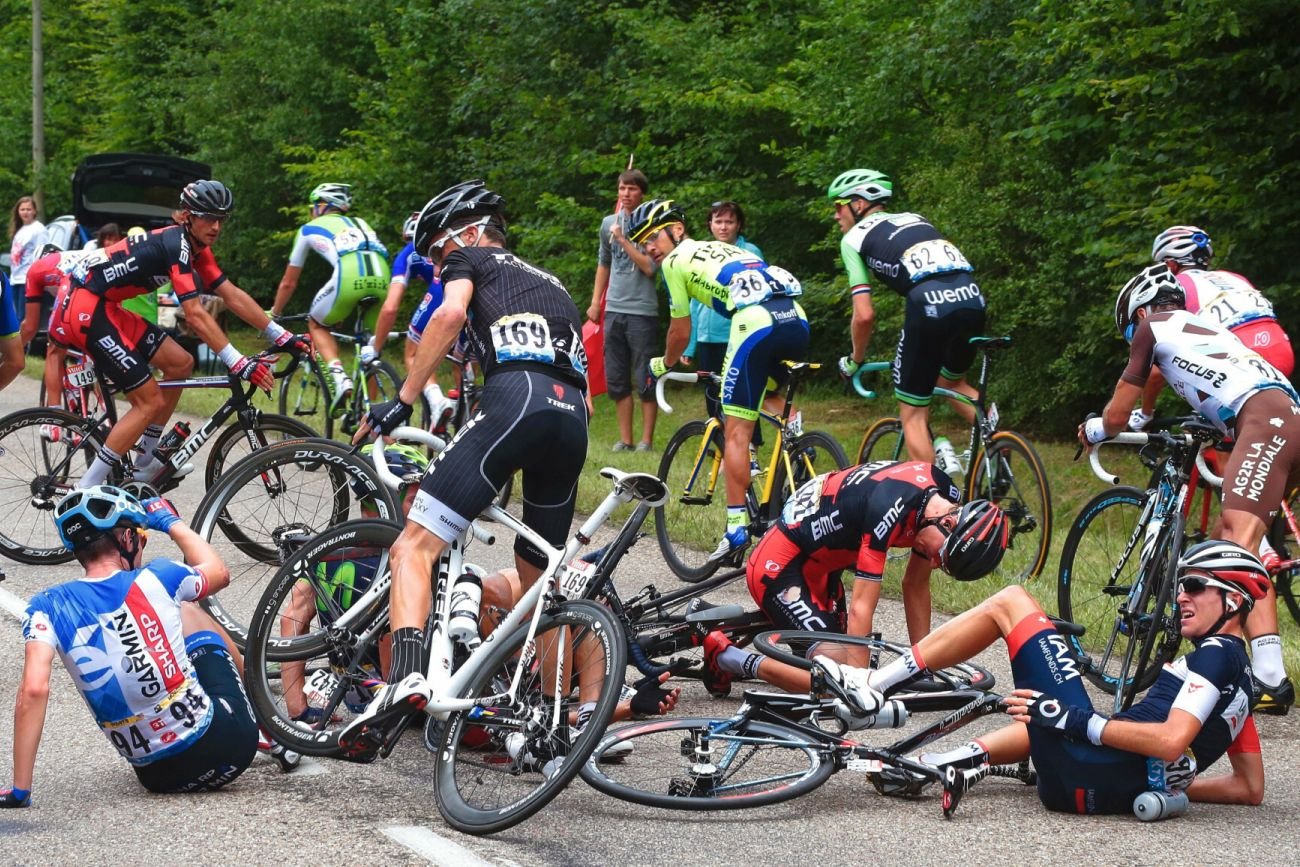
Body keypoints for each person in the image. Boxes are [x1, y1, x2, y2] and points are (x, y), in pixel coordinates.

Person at [338, 180, 590, 760]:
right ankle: (549, 723)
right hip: (570, 417)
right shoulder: (552, 285)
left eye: (435, 254)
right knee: (539, 586)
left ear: (468, 233)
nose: (433, 265)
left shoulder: (468, 255)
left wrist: (403, 398)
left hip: (516, 400)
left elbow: (448, 315)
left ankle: (405, 680)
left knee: (412, 548)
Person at [847, 540, 1268, 814]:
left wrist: (1076, 720)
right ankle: (939, 763)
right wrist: (1173, 785)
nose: (1180, 597)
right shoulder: (1240, 683)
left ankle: (872, 687)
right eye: (1179, 586)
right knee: (1044, 711)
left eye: (1193, 586)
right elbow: (1248, 787)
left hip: (1083, 768)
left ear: (1233, 600)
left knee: (1011, 603)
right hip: (1095, 792)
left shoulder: (1214, 656)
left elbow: (1171, 740)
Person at [1082, 263, 1299, 714]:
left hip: (1263, 419)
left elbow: (1118, 416)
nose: (1131, 341)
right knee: (1228, 536)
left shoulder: (1152, 327)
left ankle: (1263, 678)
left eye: (1127, 331)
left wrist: (1095, 428)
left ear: (1138, 313)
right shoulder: (1208, 329)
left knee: (1237, 548)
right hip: (1279, 413)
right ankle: (1260, 668)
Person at [0, 486, 259, 806]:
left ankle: (21, 788)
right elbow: (219, 572)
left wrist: (20, 788)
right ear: (126, 540)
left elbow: (34, 690)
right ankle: (271, 730)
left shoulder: (46, 605)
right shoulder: (160, 576)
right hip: (230, 745)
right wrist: (168, 521)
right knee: (187, 609)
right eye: (141, 538)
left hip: (158, 778)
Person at [49, 180, 311, 489]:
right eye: (208, 217)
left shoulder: (198, 249)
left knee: (180, 363)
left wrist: (282, 336)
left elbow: (232, 295)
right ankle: (85, 490)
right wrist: (238, 362)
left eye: (221, 219)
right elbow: (196, 315)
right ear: (188, 216)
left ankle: (145, 462)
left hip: (106, 306)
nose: (215, 226)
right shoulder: (176, 244)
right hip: (86, 307)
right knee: (148, 400)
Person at [701, 462, 1008, 697]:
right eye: (939, 557)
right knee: (839, 686)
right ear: (948, 521)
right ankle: (730, 657)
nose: (933, 562)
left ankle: (736, 624)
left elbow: (915, 585)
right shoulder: (887, 510)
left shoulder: (942, 496)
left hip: (824, 566)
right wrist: (858, 685)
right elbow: (863, 607)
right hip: (780, 564)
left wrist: (922, 664)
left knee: (845, 664)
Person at [630, 198, 808, 563]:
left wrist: (664, 364)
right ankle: (797, 441)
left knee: (737, 429)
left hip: (756, 322)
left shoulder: (676, 263)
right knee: (767, 393)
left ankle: (735, 530)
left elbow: (680, 331)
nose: (648, 248)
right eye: (642, 243)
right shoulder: (720, 248)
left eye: (651, 238)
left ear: (677, 230)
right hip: (795, 316)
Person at [1134, 225, 1295, 572]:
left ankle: (1256, 543)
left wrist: (1145, 412)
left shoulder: (1179, 288)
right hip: (1278, 349)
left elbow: (1165, 357)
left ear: (1170, 265)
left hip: (1241, 355)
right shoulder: (1232, 277)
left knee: (1230, 439)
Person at [827, 169, 986, 467]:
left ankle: (933, 502)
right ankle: (1000, 447)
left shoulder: (853, 239)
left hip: (929, 304)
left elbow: (864, 315)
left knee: (912, 412)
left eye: (838, 206)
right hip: (973, 298)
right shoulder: (916, 218)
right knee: (952, 384)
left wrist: (855, 360)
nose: (836, 216)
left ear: (858, 204)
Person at [270, 183, 391, 417]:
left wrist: (275, 313)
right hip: (383, 278)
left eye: (312, 207)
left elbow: (288, 282)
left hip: (348, 277)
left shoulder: (308, 228)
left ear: (322, 206)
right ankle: (371, 417)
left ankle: (338, 376)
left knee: (316, 324)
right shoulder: (362, 224)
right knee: (372, 350)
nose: (311, 212)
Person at [588, 169, 660, 452]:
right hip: (614, 309)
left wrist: (623, 240)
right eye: (622, 189)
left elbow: (650, 267)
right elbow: (603, 263)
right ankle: (626, 439)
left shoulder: (652, 225)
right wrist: (596, 302)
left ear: (642, 193)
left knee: (644, 375)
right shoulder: (609, 223)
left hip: (642, 310)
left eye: (632, 189)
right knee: (617, 376)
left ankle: (646, 441)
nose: (626, 194)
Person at [684, 200, 763, 421]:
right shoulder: (703, 252)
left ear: (739, 225)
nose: (723, 227)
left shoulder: (750, 252)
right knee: (712, 395)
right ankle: (720, 445)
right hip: (707, 339)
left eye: (729, 221)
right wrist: (689, 346)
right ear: (710, 224)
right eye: (718, 221)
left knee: (741, 397)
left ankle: (750, 447)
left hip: (737, 336)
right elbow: (694, 301)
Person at [387, 211, 454, 428]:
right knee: (464, 360)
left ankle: (437, 402)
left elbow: (391, 306)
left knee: (413, 352)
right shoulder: (452, 244)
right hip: (470, 289)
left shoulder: (409, 252)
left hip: (442, 292)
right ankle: (467, 405)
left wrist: (377, 345)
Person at [8, 195, 47, 323]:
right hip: (16, 279)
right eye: (22, 209)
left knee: (23, 318)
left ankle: (20, 343)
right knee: (15, 316)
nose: (25, 212)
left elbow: (42, 253)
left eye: (29, 209)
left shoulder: (38, 229)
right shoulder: (20, 230)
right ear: (18, 211)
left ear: (35, 211)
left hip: (28, 278)